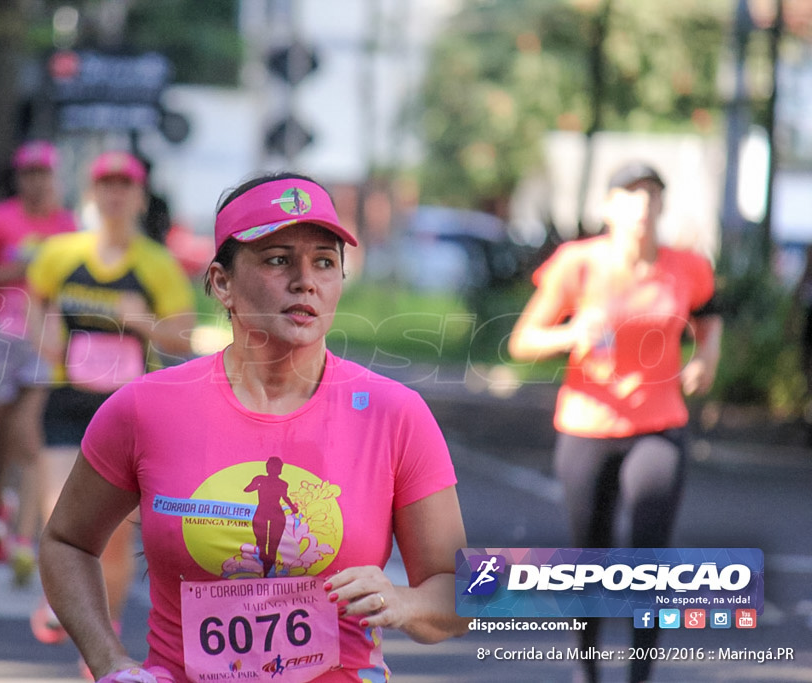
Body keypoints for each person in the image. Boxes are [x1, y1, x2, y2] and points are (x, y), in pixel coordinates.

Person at [39, 172, 471, 683]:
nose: (304, 280)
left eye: (325, 262)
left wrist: (405, 600)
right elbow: (66, 542)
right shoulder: (145, 408)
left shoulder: (394, 413)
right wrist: (109, 662)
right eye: (278, 259)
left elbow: (459, 592)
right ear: (222, 282)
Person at [507, 161, 723, 683]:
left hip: (659, 425)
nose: (642, 204)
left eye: (652, 193)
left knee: (650, 556)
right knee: (591, 556)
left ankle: (639, 675)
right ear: (608, 207)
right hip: (587, 425)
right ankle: (589, 668)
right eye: (630, 193)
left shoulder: (686, 266)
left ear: (663, 206)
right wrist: (570, 334)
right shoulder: (577, 264)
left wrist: (705, 359)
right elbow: (521, 341)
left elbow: (709, 315)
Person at [25, 150, 195, 646]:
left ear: (139, 197)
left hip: (129, 413)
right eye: (106, 185)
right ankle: (59, 593)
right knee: (59, 510)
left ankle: (104, 633)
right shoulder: (60, 255)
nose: (115, 195)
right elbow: (32, 300)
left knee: (116, 535)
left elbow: (183, 336)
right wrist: (44, 338)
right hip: (69, 400)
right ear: (91, 194)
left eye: (125, 186)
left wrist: (141, 320)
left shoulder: (157, 265)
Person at [0, 140, 77, 577]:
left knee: (28, 438)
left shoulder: (69, 226)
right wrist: (15, 271)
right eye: (30, 174)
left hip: (43, 340)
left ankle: (25, 539)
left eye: (45, 173)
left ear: (55, 177)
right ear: (19, 178)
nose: (38, 181)